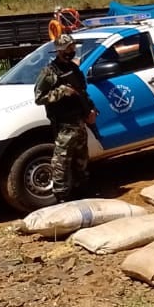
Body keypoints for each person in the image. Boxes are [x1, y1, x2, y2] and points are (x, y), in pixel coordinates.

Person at [33, 33, 98, 203]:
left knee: (81, 159)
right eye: (69, 48)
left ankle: (82, 190)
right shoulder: (49, 72)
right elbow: (39, 98)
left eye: (73, 48)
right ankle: (61, 195)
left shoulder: (74, 69)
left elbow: (82, 93)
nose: (72, 51)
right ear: (60, 50)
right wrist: (62, 92)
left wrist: (91, 110)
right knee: (61, 161)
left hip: (79, 121)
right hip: (64, 123)